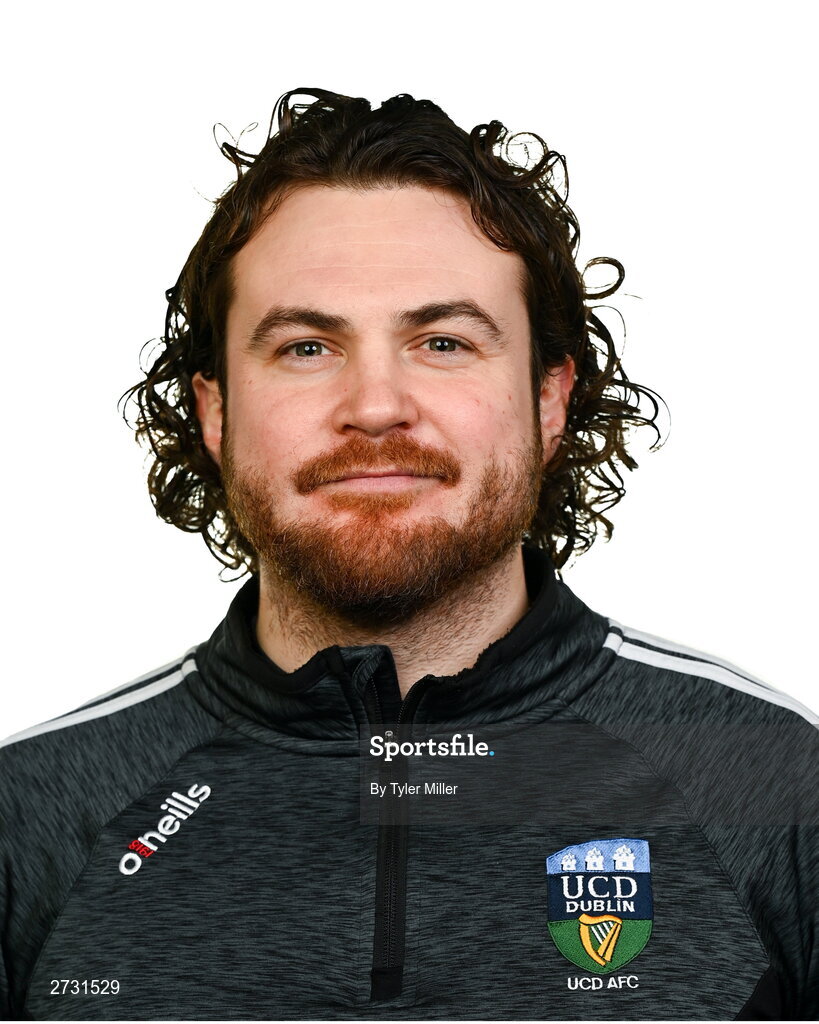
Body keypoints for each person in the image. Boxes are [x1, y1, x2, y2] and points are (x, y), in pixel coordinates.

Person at [0, 87, 815, 1022]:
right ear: (215, 413)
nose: (377, 405)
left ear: (550, 401)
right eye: (307, 346)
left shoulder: (772, 780)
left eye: (441, 341)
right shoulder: (29, 817)